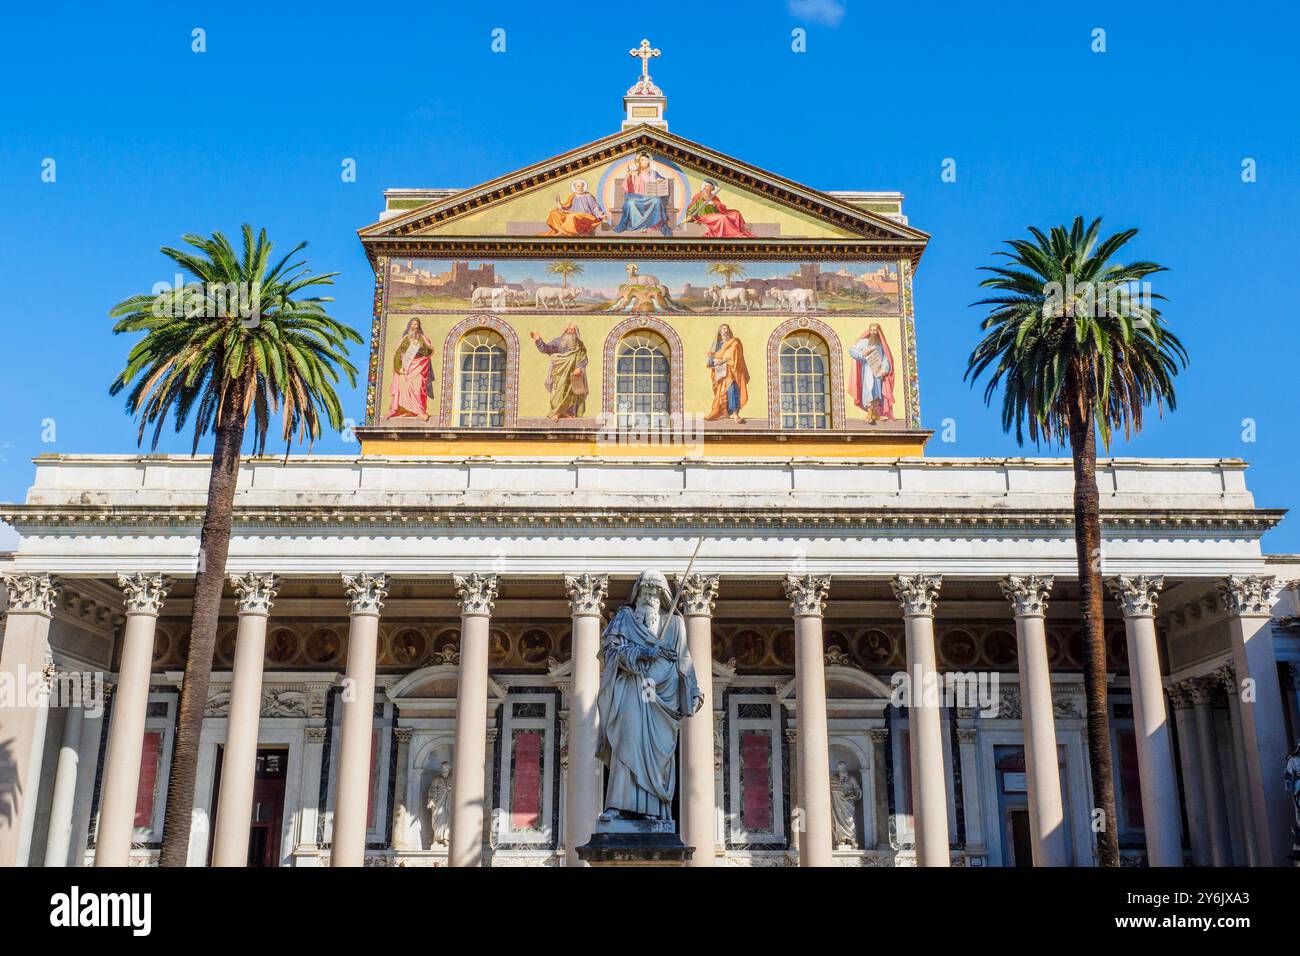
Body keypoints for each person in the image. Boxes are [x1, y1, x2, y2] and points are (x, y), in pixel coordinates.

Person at [595, 570, 703, 821]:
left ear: (662, 595)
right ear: (637, 592)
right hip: (633, 689)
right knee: (627, 741)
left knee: (658, 755)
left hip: (660, 696)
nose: (649, 596)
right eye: (645, 590)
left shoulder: (675, 624)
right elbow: (610, 652)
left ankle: (653, 811)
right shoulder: (624, 618)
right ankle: (616, 806)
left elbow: (684, 660)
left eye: (654, 591)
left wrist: (694, 691)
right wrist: (643, 653)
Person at [529, 324, 588, 419]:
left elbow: (583, 357)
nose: (570, 331)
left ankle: (566, 413)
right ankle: (557, 412)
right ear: (565, 330)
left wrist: (579, 367)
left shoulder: (579, 344)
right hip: (559, 372)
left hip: (573, 373)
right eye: (569, 329)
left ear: (576, 332)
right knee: (557, 392)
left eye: (573, 330)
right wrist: (538, 340)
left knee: (572, 393)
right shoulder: (557, 342)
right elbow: (546, 349)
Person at [614, 152, 672, 236]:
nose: (644, 162)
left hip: (650, 196)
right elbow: (626, 186)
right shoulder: (634, 173)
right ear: (639, 162)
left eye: (645, 160)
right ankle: (637, 225)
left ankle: (652, 225)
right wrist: (628, 176)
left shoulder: (653, 173)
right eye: (642, 160)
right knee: (630, 203)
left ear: (648, 161)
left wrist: (660, 180)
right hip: (636, 197)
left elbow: (662, 180)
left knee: (657, 201)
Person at [387, 318, 434, 420]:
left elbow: (429, 351)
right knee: (403, 387)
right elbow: (398, 354)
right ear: (409, 326)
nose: (415, 327)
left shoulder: (423, 338)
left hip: (419, 368)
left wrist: (420, 348)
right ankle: (407, 411)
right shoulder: (404, 339)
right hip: (406, 369)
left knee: (418, 388)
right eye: (413, 324)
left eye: (417, 325)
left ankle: (420, 411)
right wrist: (399, 368)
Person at [848, 323, 895, 423]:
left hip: (878, 371)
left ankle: (877, 415)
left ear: (878, 331)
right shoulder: (863, 342)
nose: (873, 332)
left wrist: (884, 370)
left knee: (877, 392)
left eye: (875, 330)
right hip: (867, 370)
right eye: (871, 330)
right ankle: (869, 413)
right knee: (868, 390)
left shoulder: (881, 345)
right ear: (869, 330)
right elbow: (852, 351)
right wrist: (862, 354)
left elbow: (886, 358)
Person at [704, 324, 750, 422]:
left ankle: (735, 414)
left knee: (732, 390)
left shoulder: (734, 342)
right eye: (724, 329)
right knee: (721, 394)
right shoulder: (718, 345)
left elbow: (736, 356)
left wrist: (724, 360)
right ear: (720, 333)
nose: (726, 331)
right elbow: (711, 361)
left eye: (727, 329)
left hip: (733, 372)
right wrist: (715, 360)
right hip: (721, 373)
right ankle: (724, 412)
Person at [685, 180, 753, 238]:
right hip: (703, 217)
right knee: (722, 218)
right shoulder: (698, 196)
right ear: (703, 187)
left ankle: (740, 230)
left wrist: (715, 204)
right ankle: (734, 234)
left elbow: (722, 208)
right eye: (706, 187)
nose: (707, 189)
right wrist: (690, 216)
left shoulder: (714, 197)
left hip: (716, 214)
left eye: (710, 187)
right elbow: (691, 209)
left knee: (736, 214)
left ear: (712, 189)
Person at [829, 761, 863, 849]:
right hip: (837, 805)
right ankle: (842, 840)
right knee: (838, 821)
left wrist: (851, 795)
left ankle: (852, 839)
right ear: (838, 769)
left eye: (844, 768)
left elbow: (858, 791)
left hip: (848, 804)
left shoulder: (851, 779)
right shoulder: (833, 779)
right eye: (841, 768)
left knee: (850, 820)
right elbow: (828, 789)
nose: (842, 770)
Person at [426, 761, 452, 846]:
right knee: (438, 819)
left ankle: (446, 838)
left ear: (449, 768)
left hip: (450, 801)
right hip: (439, 802)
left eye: (445, 767)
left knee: (449, 819)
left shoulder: (454, 777)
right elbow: (432, 789)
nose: (443, 769)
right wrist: (431, 799)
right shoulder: (436, 779)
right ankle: (437, 839)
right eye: (442, 767)